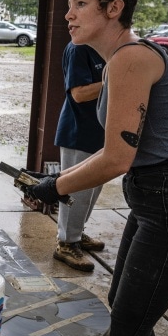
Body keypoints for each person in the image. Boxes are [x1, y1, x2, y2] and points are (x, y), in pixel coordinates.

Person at [24, 0, 168, 336]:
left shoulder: (130, 58)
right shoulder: (120, 59)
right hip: (156, 202)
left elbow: (117, 160)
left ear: (114, 8)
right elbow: (110, 151)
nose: (69, 15)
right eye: (69, 5)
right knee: (126, 312)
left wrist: (55, 187)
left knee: (126, 332)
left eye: (80, 4)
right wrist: (56, 180)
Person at [51, 42, 106, 272]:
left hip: (100, 132)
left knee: (92, 192)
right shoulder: (79, 48)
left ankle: (76, 233)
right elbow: (79, 93)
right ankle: (66, 243)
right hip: (78, 132)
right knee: (77, 192)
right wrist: (115, 80)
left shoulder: (105, 47)